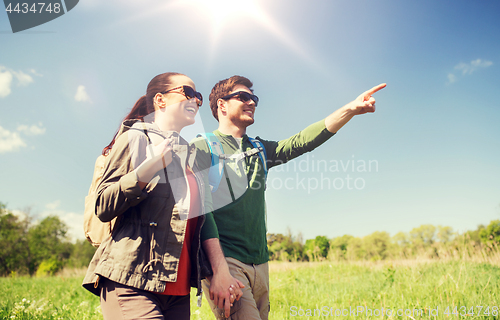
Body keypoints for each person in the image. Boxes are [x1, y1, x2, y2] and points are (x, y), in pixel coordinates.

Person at [193, 75, 386, 320]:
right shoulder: (203, 147)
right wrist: (217, 271)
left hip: (261, 263)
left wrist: (349, 109)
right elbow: (198, 211)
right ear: (222, 105)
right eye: (243, 97)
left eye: (254, 98)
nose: (251, 102)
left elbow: (302, 141)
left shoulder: (260, 149)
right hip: (226, 263)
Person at [82, 72, 243, 320]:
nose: (197, 101)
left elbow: (199, 224)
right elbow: (103, 205)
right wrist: (146, 170)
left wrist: (217, 270)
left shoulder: (190, 156)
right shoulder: (135, 138)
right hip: (132, 282)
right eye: (187, 93)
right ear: (160, 100)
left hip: (177, 292)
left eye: (198, 96)